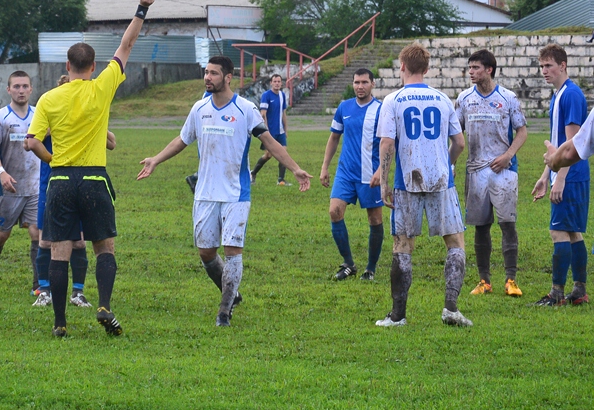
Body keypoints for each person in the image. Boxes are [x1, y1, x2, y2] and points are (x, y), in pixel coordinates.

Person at [137, 56, 312, 327]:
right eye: (206, 73)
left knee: (232, 250)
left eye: (214, 74)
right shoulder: (199, 108)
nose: (208, 78)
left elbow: (270, 142)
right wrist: (156, 159)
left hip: (236, 194)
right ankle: (232, 293)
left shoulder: (245, 109)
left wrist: (295, 169)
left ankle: (224, 311)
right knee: (206, 253)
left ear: (228, 77)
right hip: (205, 193)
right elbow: (182, 140)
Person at [26, 0, 155, 338]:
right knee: (104, 248)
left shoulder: (49, 98)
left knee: (59, 251)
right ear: (94, 67)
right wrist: (141, 8)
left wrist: (55, 161)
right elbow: (126, 46)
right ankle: (104, 305)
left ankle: (59, 322)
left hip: (60, 182)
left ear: (67, 66)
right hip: (96, 180)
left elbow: (32, 142)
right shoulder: (102, 87)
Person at [371, 43, 471, 327]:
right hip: (442, 181)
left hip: (406, 182)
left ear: (402, 66)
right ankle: (451, 309)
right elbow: (459, 142)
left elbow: (387, 143)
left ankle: (398, 316)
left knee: (403, 246)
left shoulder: (393, 100)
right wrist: (448, 165)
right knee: (455, 243)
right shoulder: (443, 99)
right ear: (427, 69)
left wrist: (385, 183)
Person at [31, 75, 116, 308]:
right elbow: (31, 141)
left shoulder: (87, 114)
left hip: (76, 182)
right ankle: (44, 290)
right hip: (53, 182)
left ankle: (77, 292)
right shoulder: (48, 111)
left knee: (79, 242)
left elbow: (112, 142)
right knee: (46, 241)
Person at [455, 49, 528, 298]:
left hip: (504, 170)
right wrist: (451, 163)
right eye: (470, 67)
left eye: (476, 67)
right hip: (476, 170)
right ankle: (484, 280)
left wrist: (508, 155)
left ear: (489, 69)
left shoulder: (508, 98)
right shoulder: (464, 98)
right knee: (480, 226)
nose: (471, 72)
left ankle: (511, 279)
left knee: (507, 224)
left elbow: (522, 132)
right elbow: (456, 135)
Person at [530, 44, 589, 306]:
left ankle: (556, 294)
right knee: (573, 232)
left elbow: (573, 143)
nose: (544, 71)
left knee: (559, 232)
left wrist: (560, 178)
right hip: (566, 172)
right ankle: (579, 291)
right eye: (542, 66)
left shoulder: (571, 95)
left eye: (549, 66)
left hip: (571, 174)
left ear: (563, 65)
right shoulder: (559, 94)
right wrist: (545, 175)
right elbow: (556, 146)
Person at [0, 71, 42, 295]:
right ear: (8, 90)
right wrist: (2, 173)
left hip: (35, 186)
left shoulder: (39, 115)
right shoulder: (0, 117)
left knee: (37, 233)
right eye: (16, 86)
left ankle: (39, 286)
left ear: (31, 89)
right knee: (2, 234)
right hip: (10, 187)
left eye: (25, 86)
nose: (21, 90)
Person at [320, 68, 384, 281]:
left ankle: (371, 268)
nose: (360, 86)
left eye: (364, 82)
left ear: (372, 84)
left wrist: (381, 171)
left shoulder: (381, 110)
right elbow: (334, 138)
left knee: (375, 220)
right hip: (345, 172)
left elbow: (388, 143)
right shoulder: (344, 107)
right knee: (334, 212)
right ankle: (348, 263)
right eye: (357, 82)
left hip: (370, 174)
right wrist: (324, 167)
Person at [251, 74, 291, 186]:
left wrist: (286, 129)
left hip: (280, 132)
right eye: (275, 81)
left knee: (283, 154)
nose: (277, 83)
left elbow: (283, 114)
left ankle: (281, 180)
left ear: (281, 83)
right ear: (271, 83)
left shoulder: (282, 95)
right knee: (268, 155)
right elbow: (263, 114)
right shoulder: (266, 95)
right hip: (271, 132)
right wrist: (266, 130)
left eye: (279, 81)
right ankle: (253, 173)